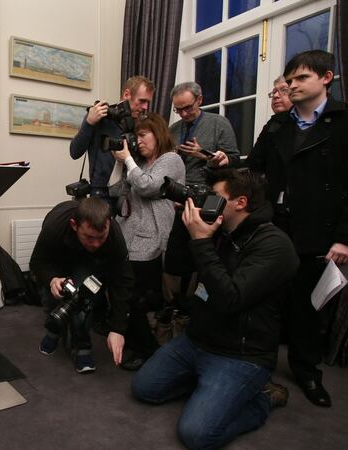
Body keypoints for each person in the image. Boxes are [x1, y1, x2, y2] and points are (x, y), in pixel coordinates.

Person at [247, 50, 348, 407]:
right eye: (289, 80)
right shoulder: (278, 124)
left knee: (307, 307)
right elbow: (254, 171)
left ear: (326, 78)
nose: (292, 85)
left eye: (301, 78)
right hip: (275, 226)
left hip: (320, 231)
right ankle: (257, 365)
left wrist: (347, 238)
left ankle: (306, 371)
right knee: (265, 299)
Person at [131, 168, 299, 450]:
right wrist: (185, 227)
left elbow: (229, 299)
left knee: (196, 434)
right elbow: (177, 266)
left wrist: (202, 242)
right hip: (197, 340)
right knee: (144, 388)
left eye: (216, 196)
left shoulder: (275, 245)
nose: (208, 201)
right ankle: (211, 388)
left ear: (241, 202)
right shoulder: (218, 228)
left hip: (241, 354)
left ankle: (262, 397)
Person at [108, 112, 185, 370]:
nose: (138, 141)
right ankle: (135, 341)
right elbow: (114, 190)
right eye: (136, 136)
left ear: (158, 133)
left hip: (152, 237)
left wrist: (129, 160)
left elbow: (148, 186)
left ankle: (147, 350)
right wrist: (120, 161)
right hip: (128, 234)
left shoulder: (171, 159)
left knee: (140, 296)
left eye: (143, 135)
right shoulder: (138, 162)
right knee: (127, 292)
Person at [162, 82, 240, 320]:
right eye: (179, 109)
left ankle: (198, 308)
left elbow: (233, 162)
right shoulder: (173, 129)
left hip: (207, 202)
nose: (184, 114)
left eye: (188, 107)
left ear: (200, 99)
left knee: (203, 257)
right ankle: (176, 307)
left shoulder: (219, 123)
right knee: (177, 259)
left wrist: (204, 155)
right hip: (176, 201)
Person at [30, 197, 133, 373]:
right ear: (74, 225)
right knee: (52, 297)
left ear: (109, 224)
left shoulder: (114, 236)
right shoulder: (54, 226)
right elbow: (37, 262)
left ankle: (82, 346)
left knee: (82, 299)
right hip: (57, 257)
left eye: (101, 237)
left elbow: (122, 282)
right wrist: (52, 279)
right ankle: (54, 330)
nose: (96, 244)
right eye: (89, 237)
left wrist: (118, 329)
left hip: (88, 261)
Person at [69, 76, 155, 208]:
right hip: (102, 196)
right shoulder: (101, 116)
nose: (145, 107)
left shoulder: (143, 123)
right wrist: (89, 123)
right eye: (142, 101)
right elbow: (74, 152)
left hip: (133, 195)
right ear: (127, 94)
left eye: (148, 102)